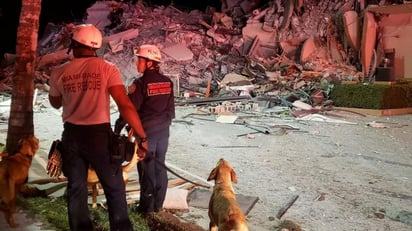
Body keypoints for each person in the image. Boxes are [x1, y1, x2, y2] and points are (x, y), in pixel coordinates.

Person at [48, 24, 148, 231]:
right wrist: (141, 136)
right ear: (95, 48)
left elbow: (55, 103)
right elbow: (124, 104)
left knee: (76, 188)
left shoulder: (59, 71)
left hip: (72, 136)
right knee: (114, 188)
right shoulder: (107, 68)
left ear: (74, 44)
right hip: (99, 137)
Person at [117, 44, 175, 215]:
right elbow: (171, 111)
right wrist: (162, 125)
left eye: (139, 60)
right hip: (163, 132)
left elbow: (131, 109)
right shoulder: (167, 82)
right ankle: (158, 205)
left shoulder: (140, 84)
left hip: (145, 133)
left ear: (149, 63)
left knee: (146, 168)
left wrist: (121, 125)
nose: (137, 64)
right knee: (160, 165)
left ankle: (146, 208)